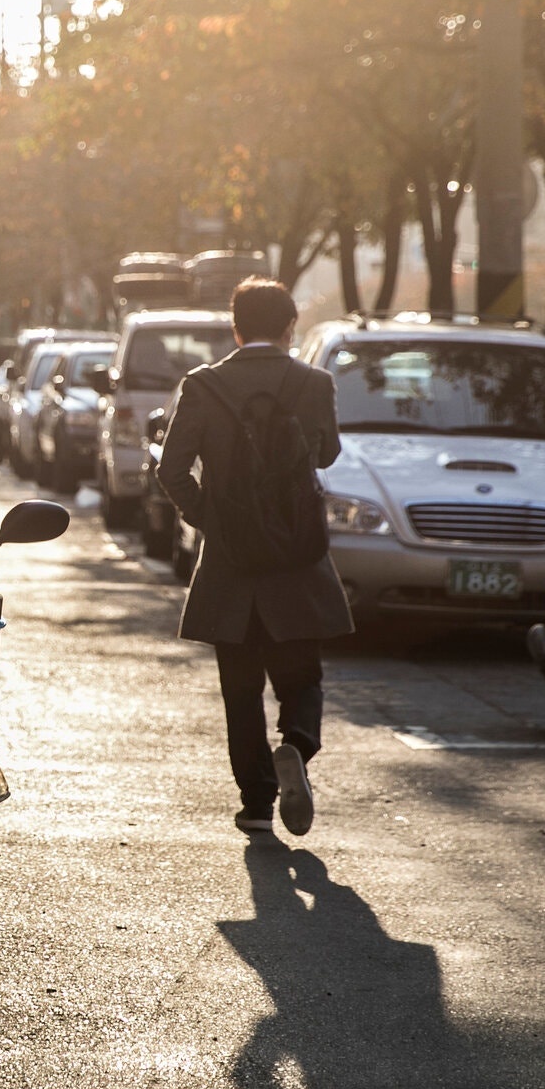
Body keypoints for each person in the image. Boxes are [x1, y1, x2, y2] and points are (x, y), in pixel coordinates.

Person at [154, 277, 353, 837]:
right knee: (302, 678)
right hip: (297, 560)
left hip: (231, 566)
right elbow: (329, 453)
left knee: (240, 691)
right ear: (291, 327)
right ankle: (295, 745)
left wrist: (212, 520)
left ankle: (257, 804)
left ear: (234, 327)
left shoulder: (203, 385)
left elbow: (170, 472)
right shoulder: (314, 382)